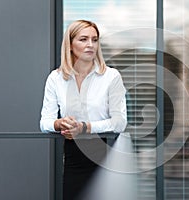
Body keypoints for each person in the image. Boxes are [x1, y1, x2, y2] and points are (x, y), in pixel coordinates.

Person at [40, 19, 127, 200]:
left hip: (107, 157)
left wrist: (85, 127)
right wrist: (59, 123)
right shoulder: (56, 78)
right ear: (70, 45)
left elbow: (119, 123)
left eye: (94, 40)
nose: (90, 45)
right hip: (73, 158)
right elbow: (44, 122)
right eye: (83, 39)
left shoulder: (111, 76)